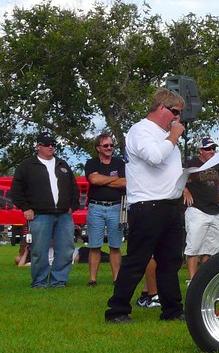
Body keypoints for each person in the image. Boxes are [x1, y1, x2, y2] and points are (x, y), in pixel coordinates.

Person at [105, 89, 187, 323]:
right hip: (147, 205)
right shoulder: (141, 131)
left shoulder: (164, 133)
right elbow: (154, 156)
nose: (177, 118)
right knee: (137, 260)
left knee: (170, 261)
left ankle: (172, 309)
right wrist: (173, 136)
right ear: (161, 107)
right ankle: (117, 310)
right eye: (175, 112)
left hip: (169, 203)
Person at [10, 131, 79, 288]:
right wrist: (25, 208)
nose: (50, 147)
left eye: (53, 144)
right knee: (39, 251)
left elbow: (73, 187)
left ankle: (59, 281)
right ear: (38, 146)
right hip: (40, 215)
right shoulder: (27, 166)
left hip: (64, 215)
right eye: (47, 144)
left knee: (66, 249)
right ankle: (39, 282)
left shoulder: (62, 164)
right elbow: (16, 190)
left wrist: (72, 206)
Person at [84, 131, 126, 287]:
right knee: (95, 245)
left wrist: (103, 179)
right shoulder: (91, 163)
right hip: (96, 207)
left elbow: (125, 182)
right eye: (106, 145)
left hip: (116, 207)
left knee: (115, 245)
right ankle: (92, 279)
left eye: (111, 145)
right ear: (98, 148)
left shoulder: (120, 163)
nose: (109, 148)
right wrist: (114, 180)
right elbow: (93, 180)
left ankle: (117, 279)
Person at [182, 137, 219, 283]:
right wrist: (185, 190)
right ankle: (193, 280)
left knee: (211, 248)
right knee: (194, 246)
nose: (212, 151)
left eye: (213, 148)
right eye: (208, 149)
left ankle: (204, 279)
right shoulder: (191, 164)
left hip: (214, 210)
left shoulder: (216, 163)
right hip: (197, 210)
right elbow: (177, 178)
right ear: (201, 150)